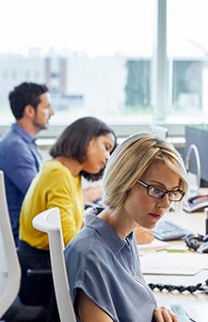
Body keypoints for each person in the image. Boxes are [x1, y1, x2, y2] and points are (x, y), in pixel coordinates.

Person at [65, 132, 187, 322]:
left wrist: (157, 312)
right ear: (124, 181)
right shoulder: (90, 257)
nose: (165, 203)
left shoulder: (124, 235)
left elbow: (138, 302)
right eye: (156, 190)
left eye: (173, 192)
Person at [17, 116, 115, 317]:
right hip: (41, 271)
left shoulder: (71, 174)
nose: (107, 157)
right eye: (106, 147)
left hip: (49, 264)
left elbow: (76, 226)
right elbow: (70, 240)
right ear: (87, 139)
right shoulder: (58, 173)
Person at [0, 82, 54, 243]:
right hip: (24, 238)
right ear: (29, 111)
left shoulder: (24, 144)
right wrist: (80, 197)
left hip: (30, 229)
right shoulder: (15, 148)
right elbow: (40, 197)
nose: (52, 112)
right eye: (47, 107)